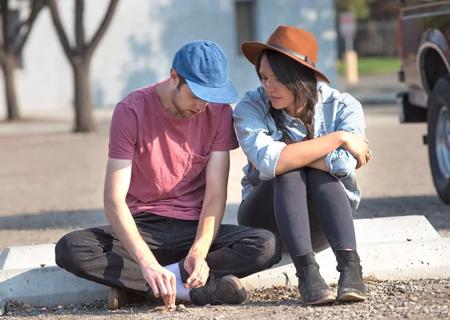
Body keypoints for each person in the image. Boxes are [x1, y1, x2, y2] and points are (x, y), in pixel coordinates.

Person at [55, 40, 280, 310]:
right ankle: (192, 291)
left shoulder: (218, 113)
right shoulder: (131, 110)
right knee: (71, 248)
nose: (202, 106)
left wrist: (198, 251)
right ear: (174, 77)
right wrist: (147, 263)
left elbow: (215, 194)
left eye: (210, 98)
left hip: (192, 230)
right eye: (196, 96)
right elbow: (114, 199)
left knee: (265, 244)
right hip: (143, 228)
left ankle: (144, 288)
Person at [233, 25, 371, 305]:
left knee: (315, 172)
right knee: (288, 170)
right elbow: (269, 162)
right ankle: (307, 274)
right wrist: (339, 137)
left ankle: (351, 270)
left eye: (277, 79)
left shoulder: (343, 106)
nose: (268, 87)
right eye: (263, 77)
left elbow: (344, 164)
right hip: (264, 222)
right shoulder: (251, 106)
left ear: (300, 77)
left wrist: (297, 155)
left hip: (320, 225)